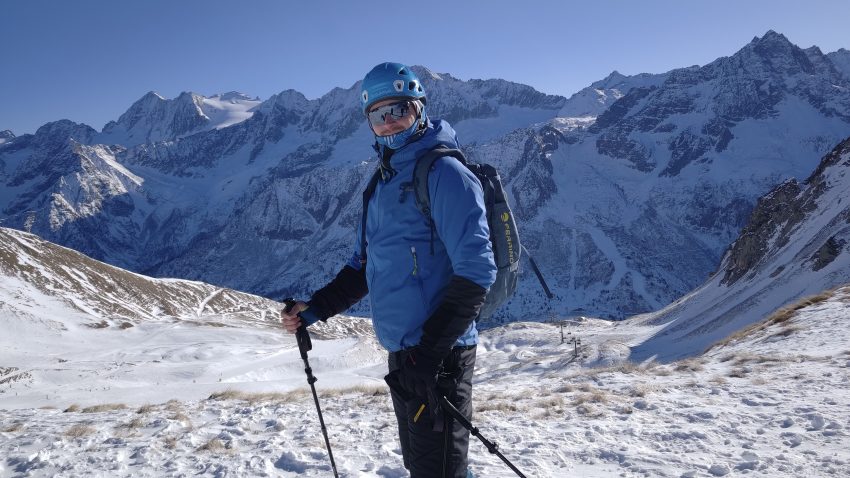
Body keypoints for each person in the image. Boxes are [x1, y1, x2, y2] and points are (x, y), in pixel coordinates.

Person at [281, 62, 496, 477]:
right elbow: (363, 266)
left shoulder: (445, 173)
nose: (389, 122)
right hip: (405, 357)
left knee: (441, 472)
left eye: (399, 109)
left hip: (440, 357)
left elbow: (477, 272)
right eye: (378, 115)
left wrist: (429, 354)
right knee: (425, 467)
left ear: (419, 107)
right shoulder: (381, 182)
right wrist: (314, 309)